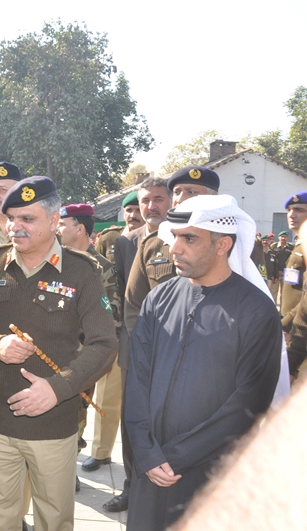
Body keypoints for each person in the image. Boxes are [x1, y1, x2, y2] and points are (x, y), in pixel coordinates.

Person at [0, 176, 118, 531]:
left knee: (53, 520)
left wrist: (57, 388)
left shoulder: (82, 271)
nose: (16, 227)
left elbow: (104, 344)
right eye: (11, 217)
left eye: (28, 218)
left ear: (54, 221)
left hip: (53, 425)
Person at [124, 194, 281, 530]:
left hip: (208, 473)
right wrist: (145, 451)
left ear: (222, 244)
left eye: (189, 239)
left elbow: (248, 403)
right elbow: (136, 379)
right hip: (150, 468)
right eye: (175, 237)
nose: (174, 249)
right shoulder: (159, 297)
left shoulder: (256, 311)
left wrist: (174, 457)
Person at [103, 176, 172, 513]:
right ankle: (132, 486)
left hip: (175, 347)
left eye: (158, 199)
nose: (151, 207)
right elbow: (123, 296)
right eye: (146, 200)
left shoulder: (180, 239)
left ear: (170, 202)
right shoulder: (126, 241)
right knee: (135, 419)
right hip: (135, 345)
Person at [58, 204, 122, 478]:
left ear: (80, 229)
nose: (57, 228)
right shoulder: (51, 262)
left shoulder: (102, 269)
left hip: (82, 356)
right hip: (50, 350)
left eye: (62, 223)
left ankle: (65, 473)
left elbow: (112, 317)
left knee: (76, 411)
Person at [279, 193, 307, 346]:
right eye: (289, 210)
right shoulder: (300, 244)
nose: (291, 215)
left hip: (299, 329)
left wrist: (287, 323)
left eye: (299, 210)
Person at [95, 190, 143, 262]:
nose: (133, 215)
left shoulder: (157, 238)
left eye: (138, 210)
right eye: (129, 210)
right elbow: (96, 268)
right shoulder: (108, 238)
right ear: (124, 213)